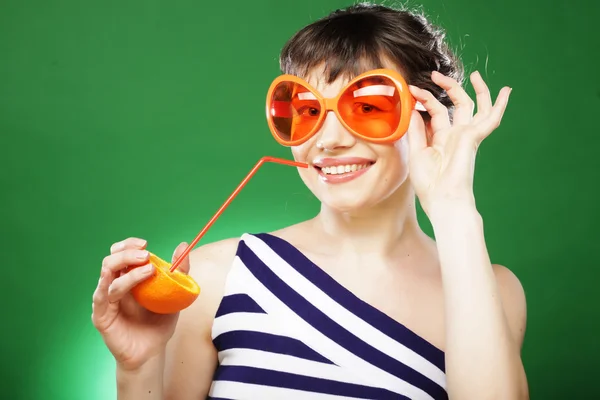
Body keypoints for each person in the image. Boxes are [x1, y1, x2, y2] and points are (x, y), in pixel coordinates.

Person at [92, 3, 529, 399]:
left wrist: (454, 210)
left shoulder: (490, 291)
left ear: (432, 119)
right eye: (306, 109)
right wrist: (139, 367)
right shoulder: (215, 277)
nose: (329, 141)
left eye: (369, 106)